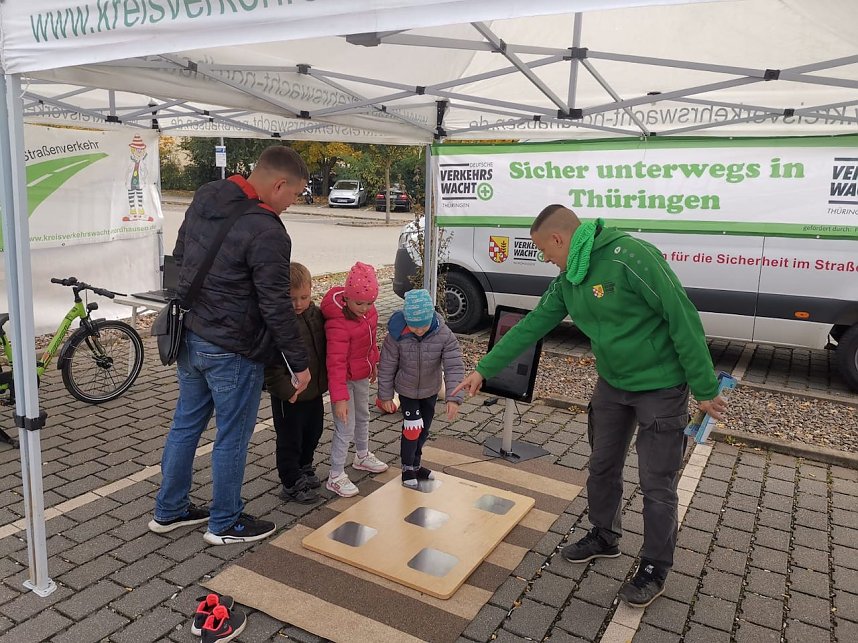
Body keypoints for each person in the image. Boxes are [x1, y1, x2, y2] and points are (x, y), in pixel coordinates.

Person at [453, 205, 728, 608]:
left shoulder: (632, 257)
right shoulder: (569, 277)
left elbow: (681, 317)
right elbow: (532, 326)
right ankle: (605, 535)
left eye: (544, 249)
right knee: (601, 464)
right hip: (613, 385)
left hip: (662, 387)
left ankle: (655, 566)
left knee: (656, 483)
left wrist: (704, 386)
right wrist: (484, 369)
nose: (545, 258)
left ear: (560, 239)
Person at [149, 145, 312, 546]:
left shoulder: (207, 194)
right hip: (234, 349)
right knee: (232, 436)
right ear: (278, 184)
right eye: (294, 194)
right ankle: (224, 523)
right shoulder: (268, 229)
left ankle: (169, 511)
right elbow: (275, 304)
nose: (292, 204)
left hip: (193, 336)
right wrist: (299, 363)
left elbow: (181, 259)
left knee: (185, 425)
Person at [377, 289, 465, 487]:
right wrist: (385, 395)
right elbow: (386, 365)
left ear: (431, 317)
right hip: (406, 390)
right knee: (412, 426)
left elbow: (454, 365)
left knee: (424, 429)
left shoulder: (443, 334)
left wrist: (453, 398)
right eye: (413, 326)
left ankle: (416, 464)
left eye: (423, 326)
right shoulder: (396, 335)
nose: (418, 331)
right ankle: (407, 467)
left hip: (430, 390)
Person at [321, 261, 388, 497]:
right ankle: (336, 475)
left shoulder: (369, 312)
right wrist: (338, 398)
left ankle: (362, 455)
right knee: (345, 426)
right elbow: (335, 363)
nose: (365, 308)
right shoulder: (338, 323)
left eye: (370, 303)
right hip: (344, 382)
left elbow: (369, 341)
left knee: (364, 416)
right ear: (347, 298)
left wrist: (374, 363)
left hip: (361, 375)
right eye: (359, 303)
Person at [264, 262, 328, 504]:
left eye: (304, 297)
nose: (298, 304)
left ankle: (305, 466)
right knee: (290, 439)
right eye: (292, 298)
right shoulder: (279, 323)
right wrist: (285, 391)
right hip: (289, 395)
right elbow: (270, 364)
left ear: (311, 291)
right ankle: (290, 481)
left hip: (314, 391)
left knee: (314, 432)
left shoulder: (317, 315)